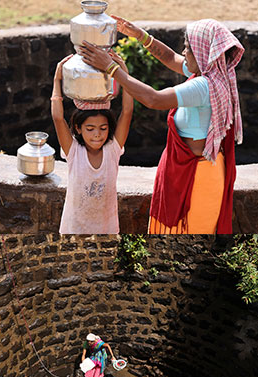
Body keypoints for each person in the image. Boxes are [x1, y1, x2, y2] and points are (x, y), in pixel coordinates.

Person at [79, 18, 244, 234]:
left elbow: (153, 99)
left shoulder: (203, 86)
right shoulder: (214, 72)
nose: (184, 53)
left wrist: (110, 68)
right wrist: (140, 35)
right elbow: (170, 58)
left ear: (202, 52)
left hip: (196, 178)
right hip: (195, 171)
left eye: (187, 48)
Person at [50, 53, 133, 234]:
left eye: (103, 128)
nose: (97, 135)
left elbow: (127, 111)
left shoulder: (113, 149)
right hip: (74, 228)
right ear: (78, 129)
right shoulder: (73, 151)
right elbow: (57, 117)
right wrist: (57, 79)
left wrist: (123, 73)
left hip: (107, 229)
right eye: (90, 129)